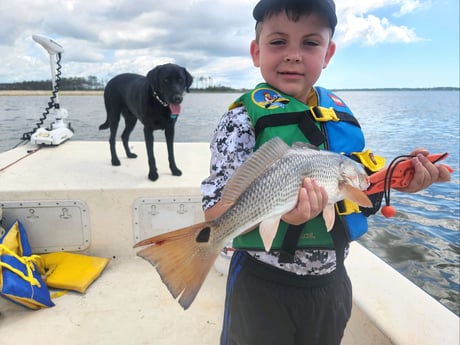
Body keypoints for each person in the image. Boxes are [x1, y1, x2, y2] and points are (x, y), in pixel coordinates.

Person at [200, 1, 452, 344]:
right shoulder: (240, 121)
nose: (293, 55)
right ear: (256, 51)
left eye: (309, 43)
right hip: (260, 285)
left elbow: (361, 184)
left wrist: (400, 177)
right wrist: (276, 205)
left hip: (331, 285)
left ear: (328, 53)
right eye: (278, 42)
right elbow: (214, 210)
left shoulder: (338, 115)